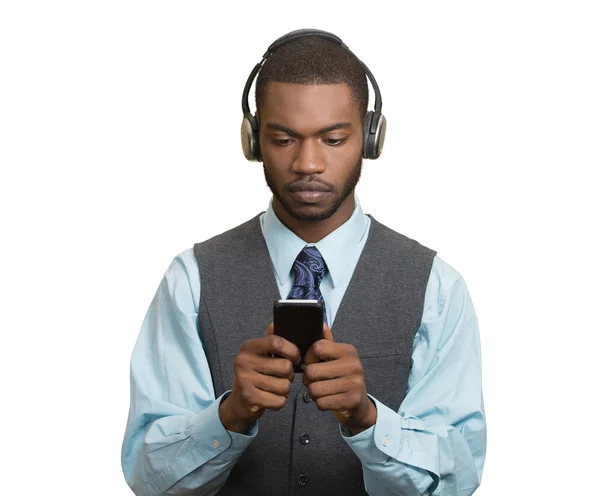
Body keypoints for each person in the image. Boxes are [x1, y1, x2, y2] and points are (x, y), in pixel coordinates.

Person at [121, 29, 486, 496]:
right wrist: (228, 417)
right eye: (283, 138)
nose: (308, 163)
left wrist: (369, 420)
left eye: (333, 139)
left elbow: (456, 481)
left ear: (371, 139)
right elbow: (149, 479)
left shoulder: (437, 287)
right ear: (252, 141)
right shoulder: (190, 279)